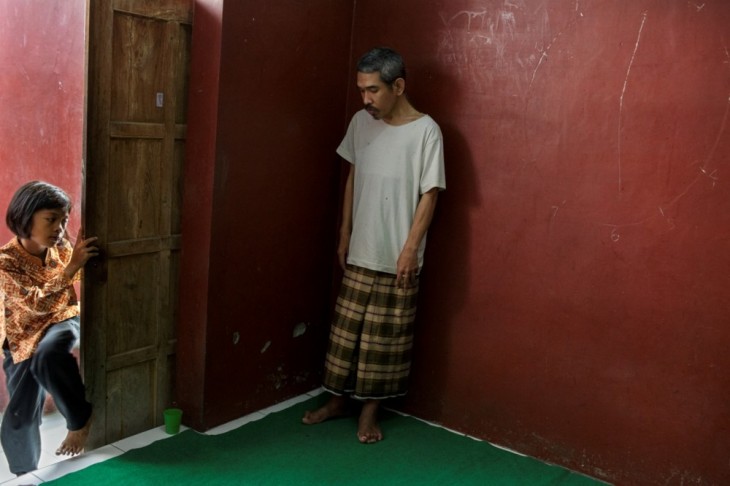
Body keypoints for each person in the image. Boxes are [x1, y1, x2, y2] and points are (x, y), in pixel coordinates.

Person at [303, 47, 445, 443]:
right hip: (361, 247)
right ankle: (335, 402)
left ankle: (369, 414)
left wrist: (409, 250)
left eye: (373, 90)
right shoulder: (360, 124)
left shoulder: (426, 132)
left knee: (384, 340)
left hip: (398, 255)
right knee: (345, 336)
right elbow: (352, 177)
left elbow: (430, 195)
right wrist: (345, 232)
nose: (365, 99)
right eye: (361, 90)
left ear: (398, 86)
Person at [0, 181, 98, 476]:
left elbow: (77, 275)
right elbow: (34, 305)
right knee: (19, 414)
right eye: (51, 219)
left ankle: (79, 420)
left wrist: (74, 259)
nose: (59, 227)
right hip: (21, 336)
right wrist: (70, 269)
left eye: (64, 219)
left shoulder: (62, 248)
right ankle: (24, 474)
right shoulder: (5, 262)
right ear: (26, 216)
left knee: (49, 355)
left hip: (62, 320)